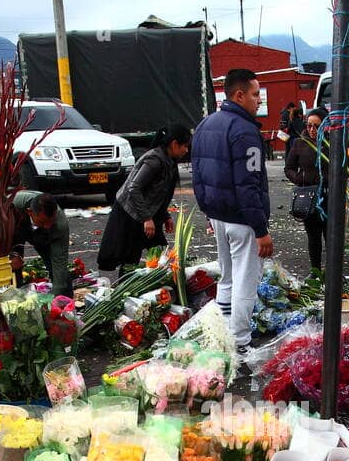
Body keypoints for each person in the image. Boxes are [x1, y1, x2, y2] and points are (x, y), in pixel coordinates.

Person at [192, 68, 273, 359]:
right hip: (242, 219)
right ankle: (239, 341)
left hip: (218, 215)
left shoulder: (205, 125)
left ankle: (223, 332)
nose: (258, 101)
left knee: (227, 276)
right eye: (254, 95)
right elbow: (248, 184)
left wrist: (208, 212)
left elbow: (197, 177)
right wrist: (261, 229)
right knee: (245, 280)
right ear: (238, 95)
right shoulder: (245, 131)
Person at [97, 124, 190, 277]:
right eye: (185, 146)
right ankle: (124, 291)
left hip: (146, 214)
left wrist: (165, 216)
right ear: (174, 144)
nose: (186, 150)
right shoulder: (154, 160)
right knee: (131, 257)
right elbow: (134, 188)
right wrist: (147, 218)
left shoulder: (168, 160)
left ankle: (160, 283)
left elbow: (158, 193)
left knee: (162, 253)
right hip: (132, 214)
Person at [285, 108, 328, 271]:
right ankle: (316, 270)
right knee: (313, 236)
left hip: (329, 197)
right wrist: (300, 179)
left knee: (331, 237)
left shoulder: (332, 144)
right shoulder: (300, 143)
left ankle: (332, 273)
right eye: (309, 125)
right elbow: (288, 168)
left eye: (316, 126)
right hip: (309, 197)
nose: (312, 130)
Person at [10, 191, 72, 297]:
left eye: (50, 222)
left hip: (45, 237)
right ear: (30, 212)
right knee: (14, 266)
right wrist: (12, 255)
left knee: (58, 273)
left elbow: (59, 262)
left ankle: (66, 301)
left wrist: (57, 298)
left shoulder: (59, 224)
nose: (47, 226)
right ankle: (16, 298)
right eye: (43, 222)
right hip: (15, 228)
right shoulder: (12, 204)